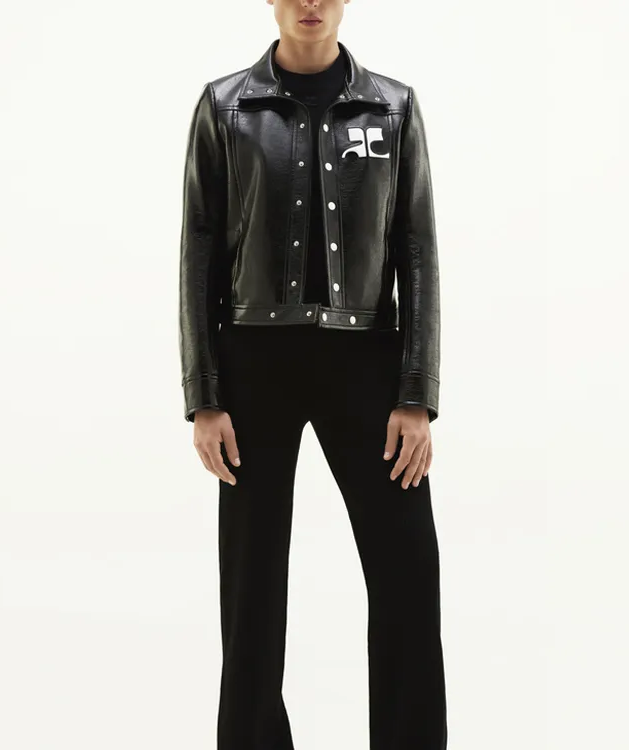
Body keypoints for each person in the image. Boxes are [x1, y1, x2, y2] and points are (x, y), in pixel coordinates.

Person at [178, 1, 447, 747]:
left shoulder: (393, 107)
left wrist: (417, 394)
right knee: (252, 585)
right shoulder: (225, 107)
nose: (309, 3)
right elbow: (198, 252)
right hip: (252, 363)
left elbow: (418, 250)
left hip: (368, 365)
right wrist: (204, 396)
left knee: (407, 571)